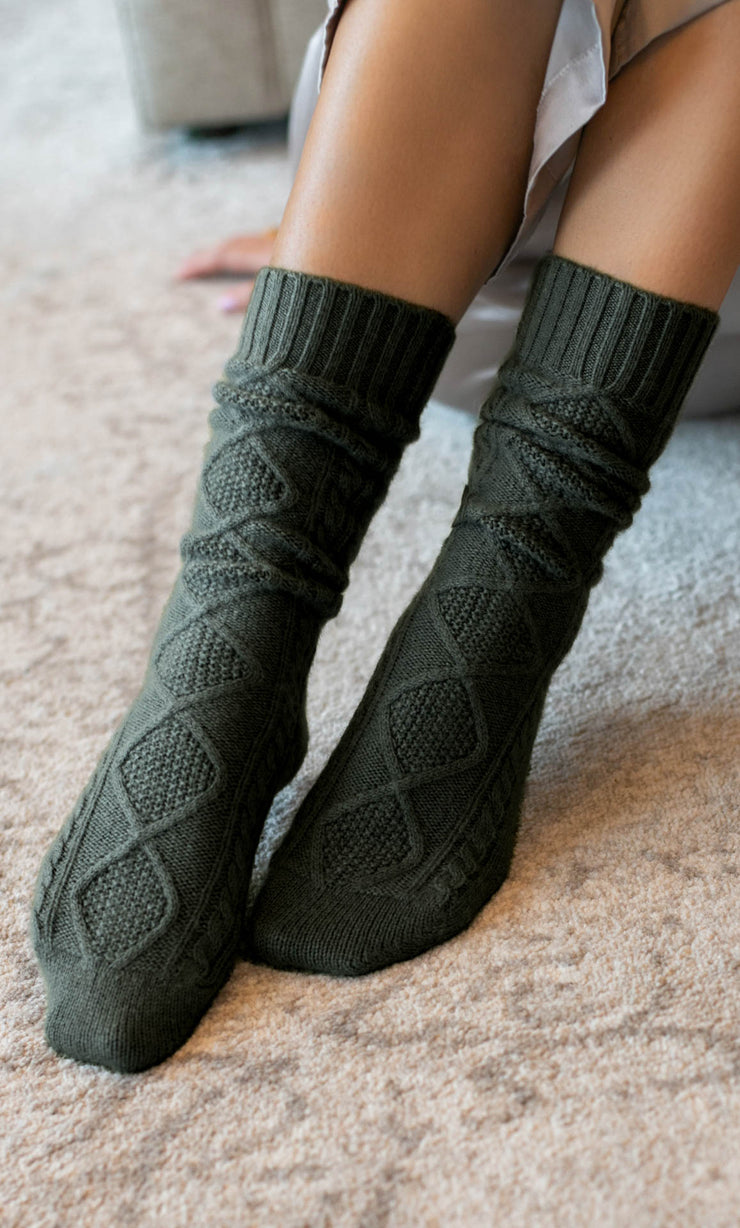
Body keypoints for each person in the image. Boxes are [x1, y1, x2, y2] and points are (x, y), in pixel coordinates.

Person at [30, 0, 740, 1074]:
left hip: (689, 310)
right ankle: (236, 628)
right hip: (467, 232)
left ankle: (503, 590)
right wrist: (333, 209)